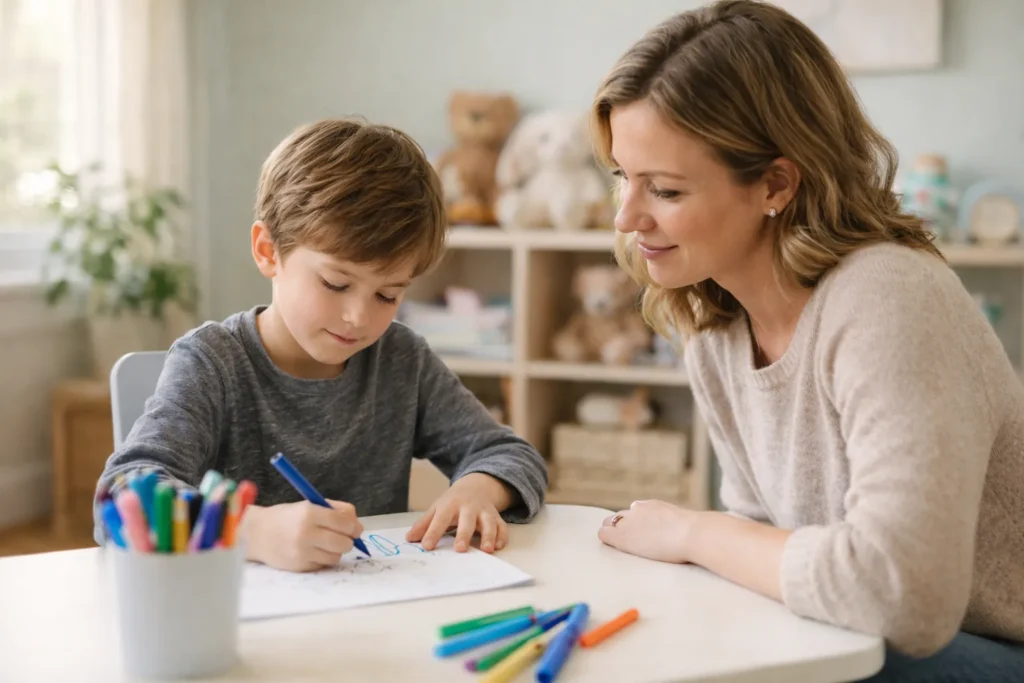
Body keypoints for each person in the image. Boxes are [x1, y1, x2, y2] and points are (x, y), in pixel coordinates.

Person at [590, 1, 1024, 680]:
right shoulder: (714, 320)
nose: (626, 217)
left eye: (665, 189)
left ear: (775, 183)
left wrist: (695, 531)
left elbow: (904, 596)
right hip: (876, 634)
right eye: (622, 176)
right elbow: (764, 543)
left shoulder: (889, 296)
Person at [93, 118, 548, 572]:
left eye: (388, 294)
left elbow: (511, 454)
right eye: (335, 283)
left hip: (369, 612)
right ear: (269, 251)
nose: (359, 317)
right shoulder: (212, 364)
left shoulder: (400, 359)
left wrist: (477, 488)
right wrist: (250, 531)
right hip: (239, 621)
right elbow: (123, 494)